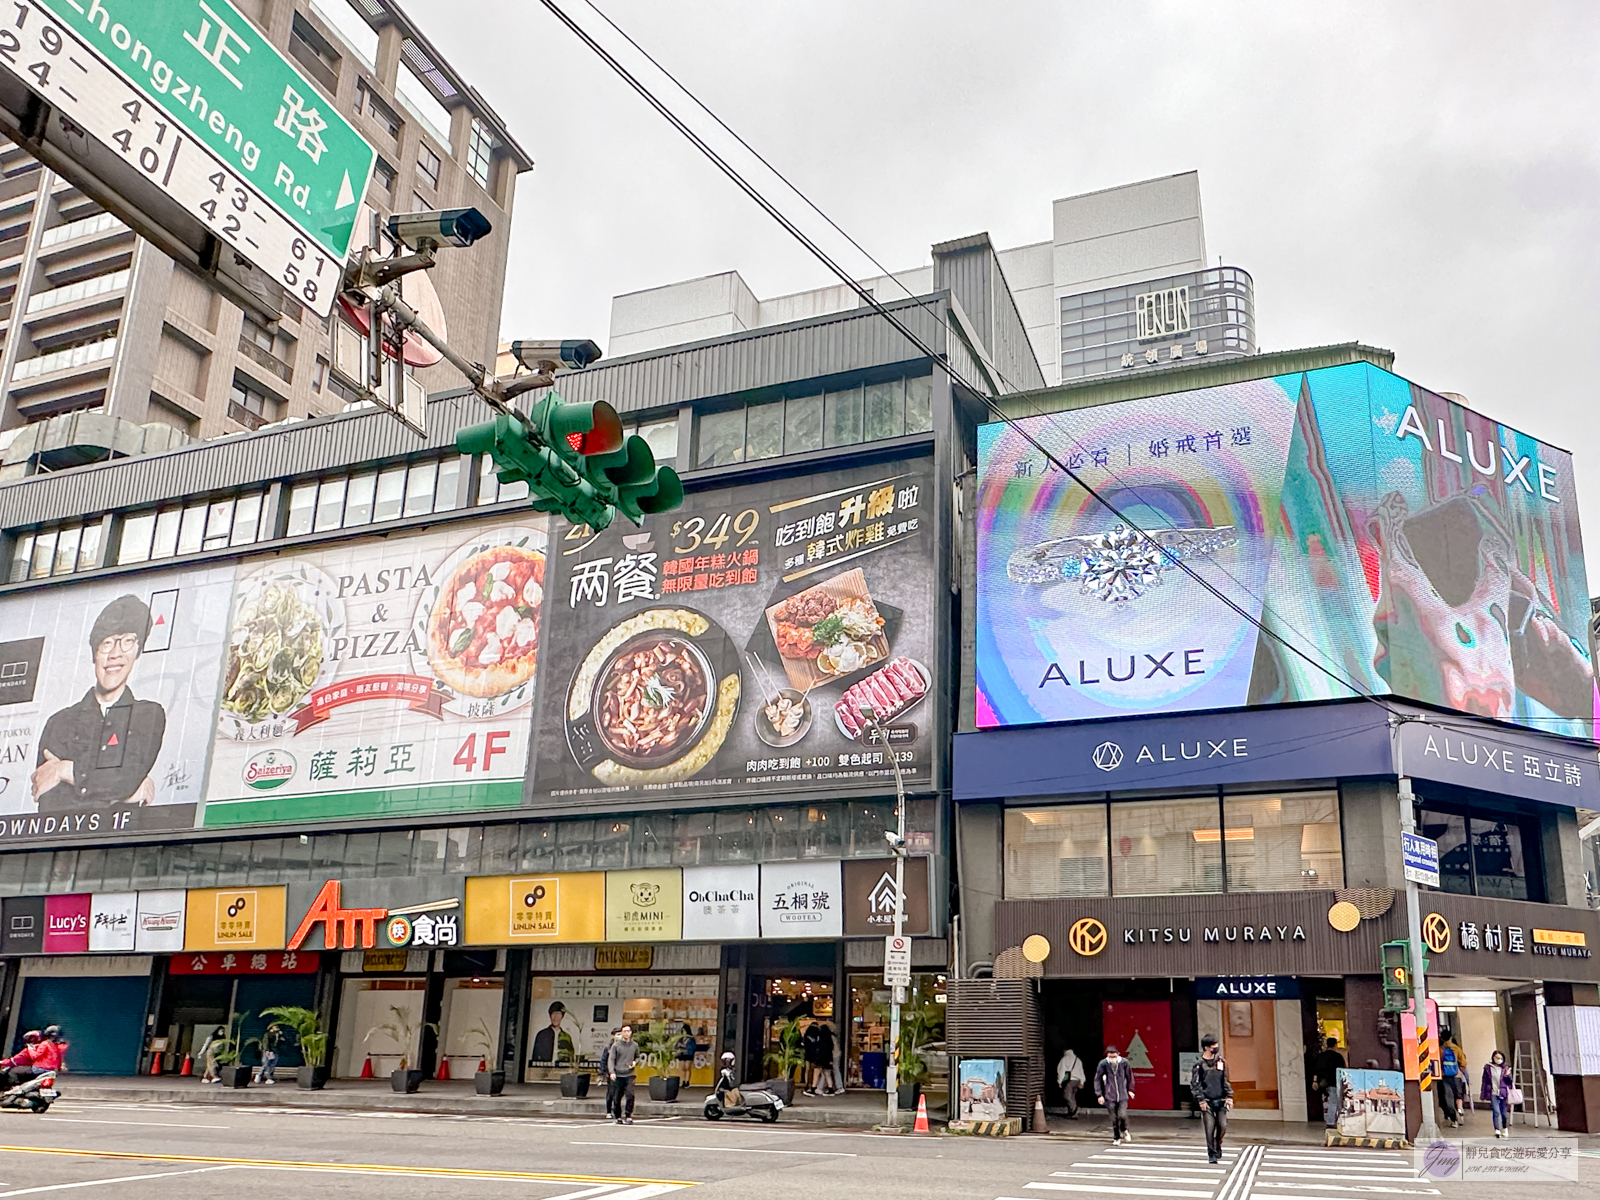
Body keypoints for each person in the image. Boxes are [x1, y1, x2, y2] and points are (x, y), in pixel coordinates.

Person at [32, 596, 165, 813]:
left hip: (124, 843)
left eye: (127, 641)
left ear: (137, 651)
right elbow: (50, 801)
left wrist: (65, 770)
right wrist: (122, 791)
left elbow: (126, 779)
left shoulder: (148, 715)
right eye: (107, 643)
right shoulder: (60, 722)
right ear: (95, 653)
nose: (115, 653)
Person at [1191, 1035, 1233, 1164]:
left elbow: (1226, 1080)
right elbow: (1195, 1084)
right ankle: (1212, 1154)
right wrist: (1201, 1100)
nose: (1216, 1048)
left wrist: (1229, 1096)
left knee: (1222, 1126)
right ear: (1206, 1048)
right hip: (1207, 1101)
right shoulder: (1199, 1065)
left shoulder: (1221, 1062)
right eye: (1213, 1046)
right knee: (1209, 1127)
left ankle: (1218, 1143)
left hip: (1221, 1100)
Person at [1094, 1044, 1135, 1145]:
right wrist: (1099, 1094)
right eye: (1110, 1056)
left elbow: (1129, 1076)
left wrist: (1131, 1090)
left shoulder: (1124, 1063)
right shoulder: (1103, 1064)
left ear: (1118, 1054)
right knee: (1114, 1118)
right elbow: (1097, 1079)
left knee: (1122, 1115)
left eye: (1114, 1056)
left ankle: (1124, 1130)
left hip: (1122, 1094)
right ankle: (1116, 1137)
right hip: (1109, 1095)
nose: (1112, 1058)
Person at [1311, 1037, 1345, 1129]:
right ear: (1335, 1045)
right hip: (1333, 1082)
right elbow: (1342, 1071)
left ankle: (1323, 1117)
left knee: (1324, 1101)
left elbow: (1316, 1069)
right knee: (1333, 1102)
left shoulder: (1321, 1056)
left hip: (1322, 1083)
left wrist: (1315, 1081)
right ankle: (1331, 1121)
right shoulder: (1338, 1057)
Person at [609, 1024, 638, 1125]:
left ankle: (628, 1115)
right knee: (617, 1096)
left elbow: (637, 1056)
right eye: (624, 1031)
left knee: (630, 1095)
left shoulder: (634, 1045)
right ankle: (617, 1116)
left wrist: (635, 1062)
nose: (626, 1033)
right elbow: (611, 1059)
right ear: (621, 1033)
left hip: (629, 1074)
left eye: (628, 1031)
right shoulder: (616, 1046)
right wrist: (612, 1071)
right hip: (618, 1074)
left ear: (631, 1032)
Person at [1481, 1050, 1514, 1138]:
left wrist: (1507, 1075)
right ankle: (1497, 1129)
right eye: (1497, 1058)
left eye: (1501, 1058)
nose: (1499, 1060)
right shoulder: (1488, 1068)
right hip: (1493, 1092)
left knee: (1503, 1112)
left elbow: (1510, 1081)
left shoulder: (1505, 1068)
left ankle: (1504, 1127)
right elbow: (1484, 1082)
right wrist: (1483, 1095)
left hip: (1503, 1093)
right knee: (1496, 1111)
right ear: (1493, 1058)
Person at [802, 1020, 835, 1097]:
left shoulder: (821, 1040)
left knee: (816, 1072)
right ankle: (830, 1089)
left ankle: (813, 1089)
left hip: (821, 1059)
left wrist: (817, 1056)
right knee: (827, 1073)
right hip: (828, 1059)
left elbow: (820, 1050)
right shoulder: (829, 1040)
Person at [1056, 1046, 1085, 1118]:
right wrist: (1082, 1082)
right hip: (1077, 1080)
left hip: (1070, 1080)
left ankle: (1074, 1110)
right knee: (1072, 1096)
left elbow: (1061, 1071)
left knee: (1067, 1095)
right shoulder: (1077, 1059)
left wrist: (1059, 1081)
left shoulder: (1064, 1059)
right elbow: (1081, 1071)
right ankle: (1072, 1113)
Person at [1438, 1040, 1461, 1127]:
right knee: (1455, 1096)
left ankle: (1452, 1117)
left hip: (1443, 1076)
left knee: (1446, 1097)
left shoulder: (1439, 1050)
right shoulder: (1454, 1049)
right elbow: (1463, 1062)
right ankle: (1457, 1112)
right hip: (1455, 1075)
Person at [599, 1029, 621, 1119]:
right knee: (611, 1093)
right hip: (611, 1072)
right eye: (618, 1034)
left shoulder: (625, 1045)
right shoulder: (608, 1047)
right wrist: (601, 1073)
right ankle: (609, 1111)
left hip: (622, 1072)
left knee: (619, 1093)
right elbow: (603, 1060)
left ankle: (617, 1111)